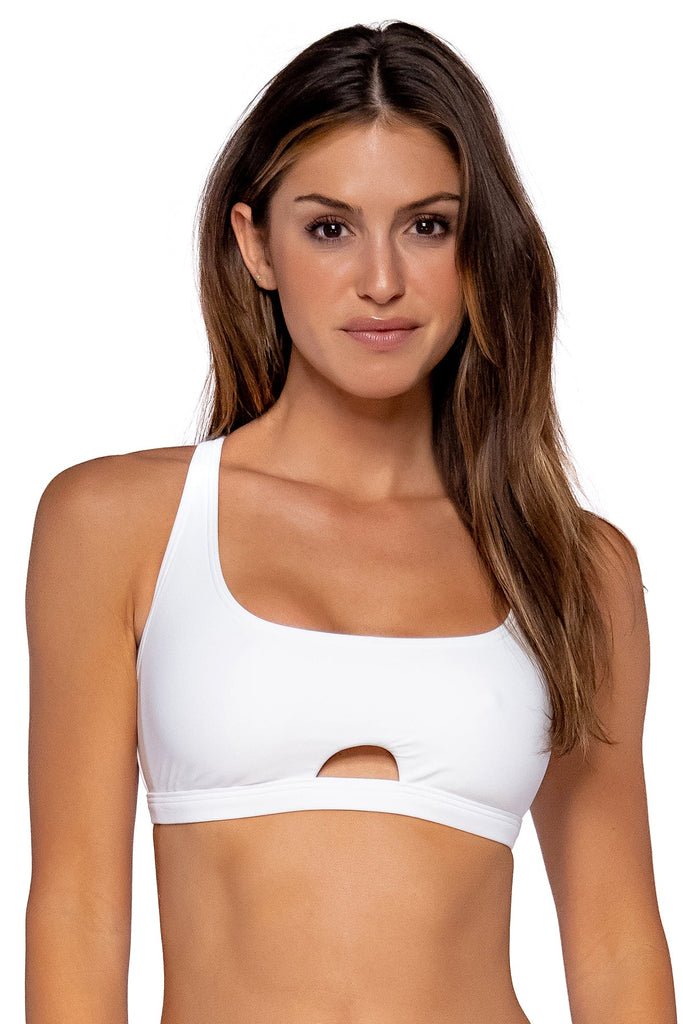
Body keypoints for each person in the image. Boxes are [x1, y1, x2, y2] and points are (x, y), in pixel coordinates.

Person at [24, 20, 676, 1024]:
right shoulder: (116, 526)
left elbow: (616, 943)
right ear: (255, 244)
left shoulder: (571, 564)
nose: (380, 281)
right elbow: (75, 914)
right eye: (329, 228)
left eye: (428, 227)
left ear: (477, 249)